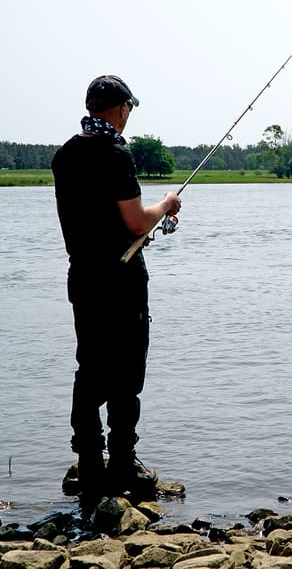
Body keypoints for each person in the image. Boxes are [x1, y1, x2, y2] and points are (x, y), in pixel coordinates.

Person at [51, 75, 181, 501]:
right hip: (122, 281)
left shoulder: (65, 156)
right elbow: (135, 223)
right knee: (126, 372)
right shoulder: (116, 154)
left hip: (83, 279)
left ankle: (89, 463)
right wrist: (166, 205)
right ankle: (123, 464)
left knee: (90, 370)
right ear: (121, 108)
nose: (129, 116)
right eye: (130, 109)